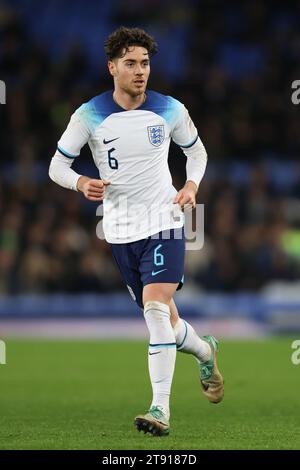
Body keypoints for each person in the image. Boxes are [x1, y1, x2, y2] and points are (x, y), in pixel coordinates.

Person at [49, 26, 224, 437]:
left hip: (165, 221)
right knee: (169, 324)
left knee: (155, 311)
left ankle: (159, 408)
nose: (140, 71)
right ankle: (205, 350)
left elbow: (195, 151)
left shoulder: (169, 109)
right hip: (121, 233)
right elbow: (56, 166)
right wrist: (79, 182)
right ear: (112, 67)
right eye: (130, 63)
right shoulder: (88, 115)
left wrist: (192, 185)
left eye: (145, 63)